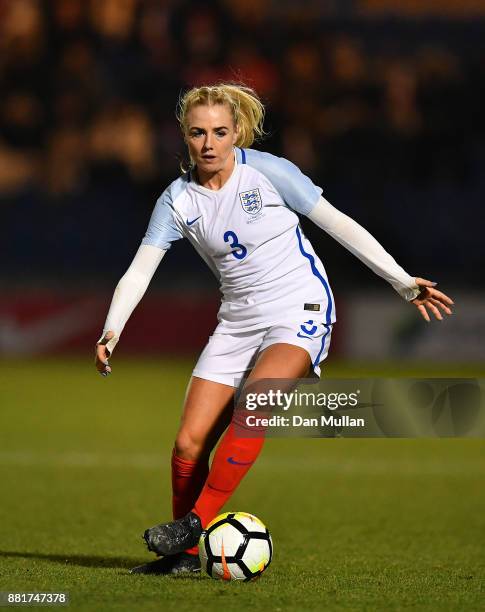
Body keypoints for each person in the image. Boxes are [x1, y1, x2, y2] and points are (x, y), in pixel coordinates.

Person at [94, 83, 453, 575]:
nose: (209, 143)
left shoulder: (269, 173)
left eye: (220, 132)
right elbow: (140, 270)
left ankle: (194, 525)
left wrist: (400, 280)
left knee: (257, 402)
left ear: (237, 131)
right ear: (184, 136)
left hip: (298, 306)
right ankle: (181, 558)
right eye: (198, 133)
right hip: (238, 319)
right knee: (187, 444)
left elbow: (339, 224)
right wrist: (112, 330)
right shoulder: (177, 201)